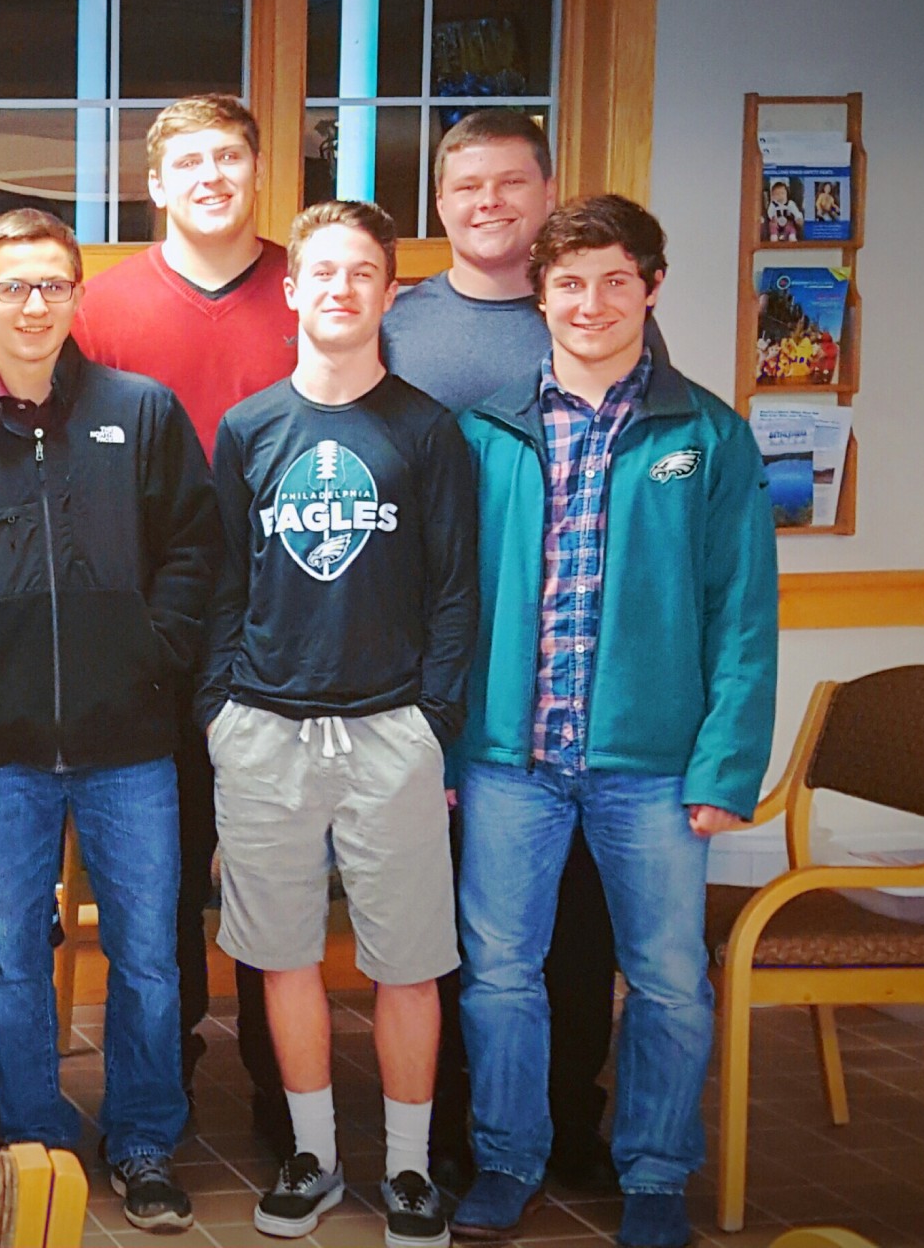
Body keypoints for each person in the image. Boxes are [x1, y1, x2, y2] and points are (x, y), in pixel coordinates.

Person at [0, 207, 215, 1232]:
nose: (33, 306)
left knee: (147, 958)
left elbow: (195, 549)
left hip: (130, 746)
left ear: (76, 295)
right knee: (15, 962)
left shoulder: (141, 412)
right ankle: (35, 1141)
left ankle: (144, 1140)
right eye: (12, 286)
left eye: (52, 285)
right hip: (3, 750)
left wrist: (154, 651)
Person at [448, 196, 776, 1248]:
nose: (591, 304)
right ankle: (507, 1160)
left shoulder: (709, 436)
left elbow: (742, 615)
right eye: (569, 284)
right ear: (539, 297)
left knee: (670, 982)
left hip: (655, 768)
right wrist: (450, 745)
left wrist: (726, 766)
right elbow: (451, 605)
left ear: (651, 287)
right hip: (509, 760)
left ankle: (655, 1173)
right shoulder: (486, 432)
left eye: (614, 281)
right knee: (500, 977)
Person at [381, 108, 666, 1193]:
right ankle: (467, 1125)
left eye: (510, 182)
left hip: (585, 689)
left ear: (547, 195)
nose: (489, 203)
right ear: (439, 204)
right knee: (468, 928)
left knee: (579, 931)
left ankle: (568, 1117)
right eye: (467, 186)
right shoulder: (403, 327)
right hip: (460, 685)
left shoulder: (604, 316)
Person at [202, 201, 476, 1248]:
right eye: (321, 271)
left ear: (389, 292)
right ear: (291, 289)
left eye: (362, 272)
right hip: (265, 727)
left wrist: (432, 722)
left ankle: (408, 1169)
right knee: (282, 956)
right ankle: (312, 1156)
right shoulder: (249, 428)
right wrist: (220, 711)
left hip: (390, 729)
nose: (340, 289)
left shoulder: (426, 430)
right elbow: (223, 583)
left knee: (408, 961)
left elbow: (455, 593)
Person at [70, 91, 297, 1152]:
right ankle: (165, 1084)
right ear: (154, 184)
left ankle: (281, 1088)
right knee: (157, 883)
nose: (212, 177)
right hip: (146, 642)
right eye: (189, 162)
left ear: (257, 171)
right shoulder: (103, 309)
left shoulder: (310, 287)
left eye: (230, 158)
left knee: (269, 872)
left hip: (281, 639)